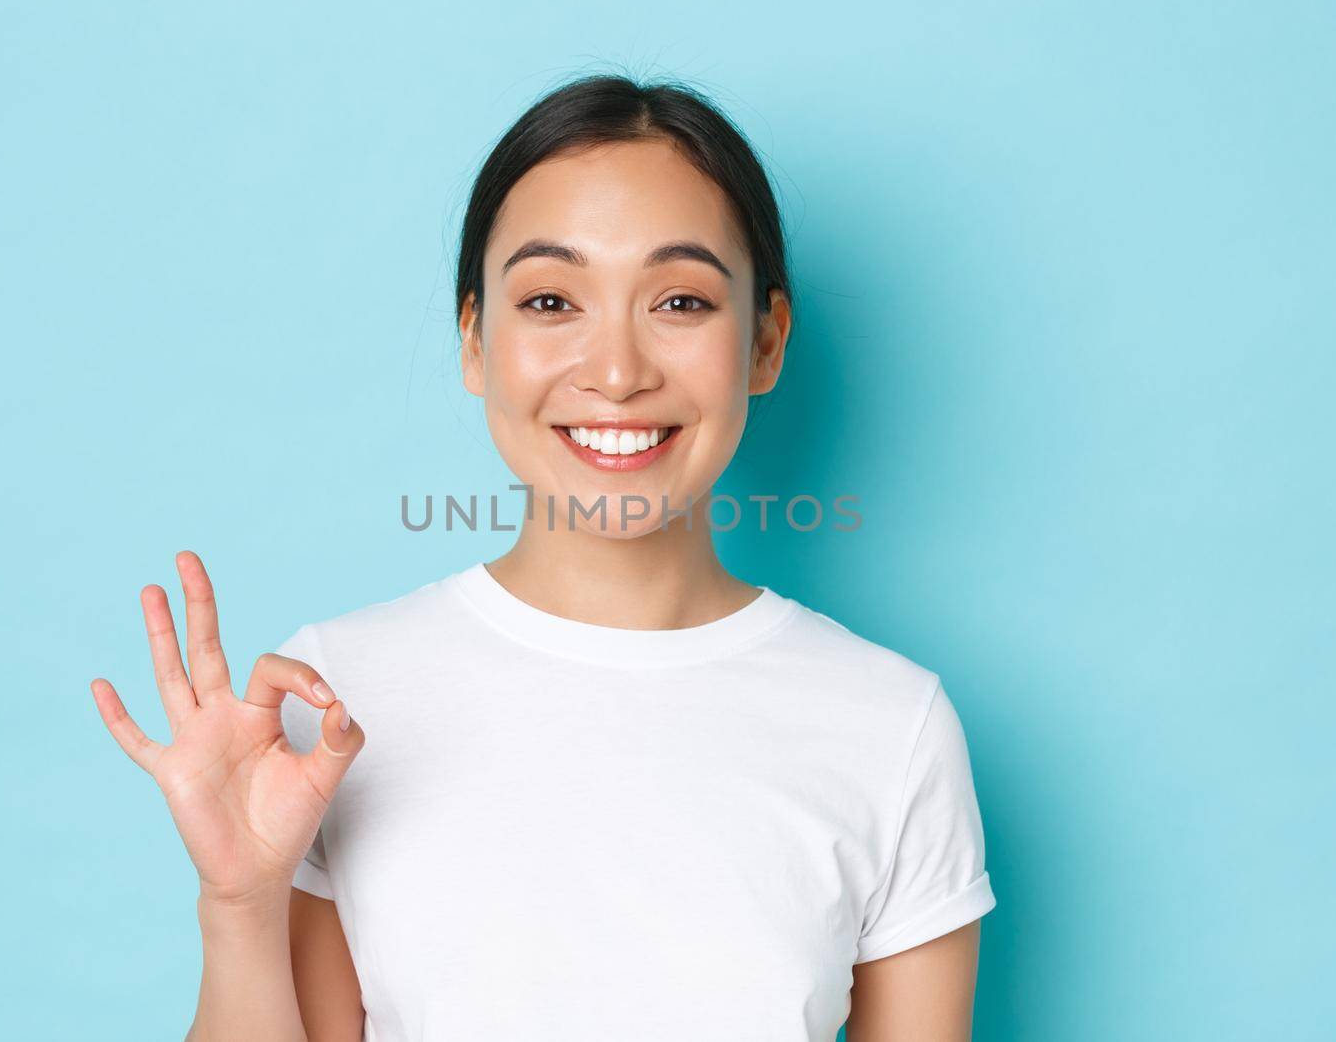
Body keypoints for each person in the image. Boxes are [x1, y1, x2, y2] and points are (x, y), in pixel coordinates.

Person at [91, 72, 996, 1042]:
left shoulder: (888, 724)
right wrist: (238, 904)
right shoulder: (337, 696)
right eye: (553, 299)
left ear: (765, 342)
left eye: (681, 300)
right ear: (476, 339)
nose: (615, 371)